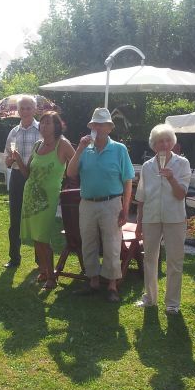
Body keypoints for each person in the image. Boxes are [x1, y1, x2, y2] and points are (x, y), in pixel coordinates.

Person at [66, 107, 135, 301]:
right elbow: (70, 173)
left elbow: (128, 180)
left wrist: (125, 208)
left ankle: (112, 285)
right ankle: (93, 281)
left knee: (112, 243)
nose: (98, 127)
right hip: (87, 203)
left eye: (102, 124)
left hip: (111, 202)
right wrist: (79, 149)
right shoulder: (85, 149)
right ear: (91, 127)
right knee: (88, 242)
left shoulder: (119, 149)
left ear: (109, 128)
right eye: (95, 124)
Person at [134, 124, 192, 314]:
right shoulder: (147, 166)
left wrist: (171, 178)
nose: (164, 145)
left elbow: (181, 194)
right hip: (151, 216)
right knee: (149, 258)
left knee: (174, 260)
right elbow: (141, 197)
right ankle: (150, 298)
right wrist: (139, 223)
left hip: (174, 217)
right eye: (160, 141)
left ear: (173, 142)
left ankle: (172, 303)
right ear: (154, 145)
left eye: (168, 140)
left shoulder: (182, 163)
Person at [14, 112, 75, 290]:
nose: (44, 126)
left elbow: (78, 165)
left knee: (42, 237)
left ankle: (52, 278)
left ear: (57, 126)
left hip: (48, 199)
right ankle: (44, 270)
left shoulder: (62, 144)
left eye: (48, 123)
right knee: (36, 237)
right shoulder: (37, 145)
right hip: (30, 197)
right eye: (42, 123)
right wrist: (18, 159)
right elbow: (27, 174)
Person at [3, 96, 41, 269]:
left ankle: (40, 260)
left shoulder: (42, 130)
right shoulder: (13, 132)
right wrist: (10, 159)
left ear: (35, 109)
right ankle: (14, 258)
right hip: (17, 177)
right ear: (18, 111)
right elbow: (6, 160)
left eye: (28, 108)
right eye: (22, 108)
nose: (25, 111)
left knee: (37, 218)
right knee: (15, 218)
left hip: (37, 177)